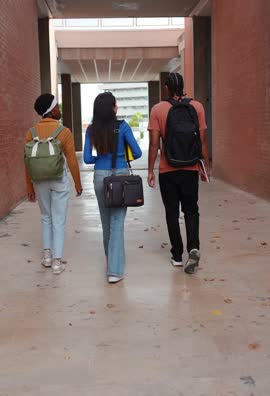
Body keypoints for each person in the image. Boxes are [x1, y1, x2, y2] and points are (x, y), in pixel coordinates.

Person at [147, 73, 210, 274]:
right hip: (190, 167)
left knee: (172, 213)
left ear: (166, 88)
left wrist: (150, 170)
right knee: (191, 210)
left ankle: (176, 255)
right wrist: (205, 166)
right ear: (182, 87)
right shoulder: (197, 107)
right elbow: (202, 141)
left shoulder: (158, 109)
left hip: (168, 169)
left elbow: (154, 144)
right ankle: (194, 247)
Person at [83, 91, 142, 283]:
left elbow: (86, 158)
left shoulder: (91, 129)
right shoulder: (122, 126)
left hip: (100, 176)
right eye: (115, 104)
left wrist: (99, 158)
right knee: (117, 222)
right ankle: (115, 271)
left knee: (106, 222)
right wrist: (121, 157)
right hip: (120, 177)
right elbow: (137, 152)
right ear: (112, 108)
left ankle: (111, 261)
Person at [25, 93, 83, 274]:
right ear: (51, 110)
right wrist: (78, 184)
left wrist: (29, 187)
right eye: (57, 106)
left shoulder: (31, 133)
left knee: (45, 217)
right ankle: (57, 262)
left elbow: (26, 162)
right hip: (58, 179)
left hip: (39, 181)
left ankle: (47, 256)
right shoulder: (63, 132)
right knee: (58, 220)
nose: (59, 109)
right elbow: (72, 160)